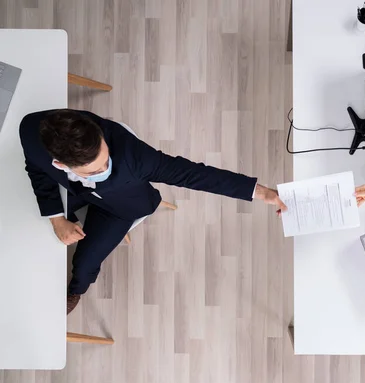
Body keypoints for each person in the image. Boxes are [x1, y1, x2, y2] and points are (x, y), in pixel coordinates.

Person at [19, 109, 287, 314]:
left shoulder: (135, 158)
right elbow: (37, 171)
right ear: (60, 162)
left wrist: (262, 192)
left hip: (121, 207)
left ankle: (76, 290)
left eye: (105, 156)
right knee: (24, 227)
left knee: (86, 261)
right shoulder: (30, 131)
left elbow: (194, 175)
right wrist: (56, 219)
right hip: (72, 192)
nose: (106, 168)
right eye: (96, 170)